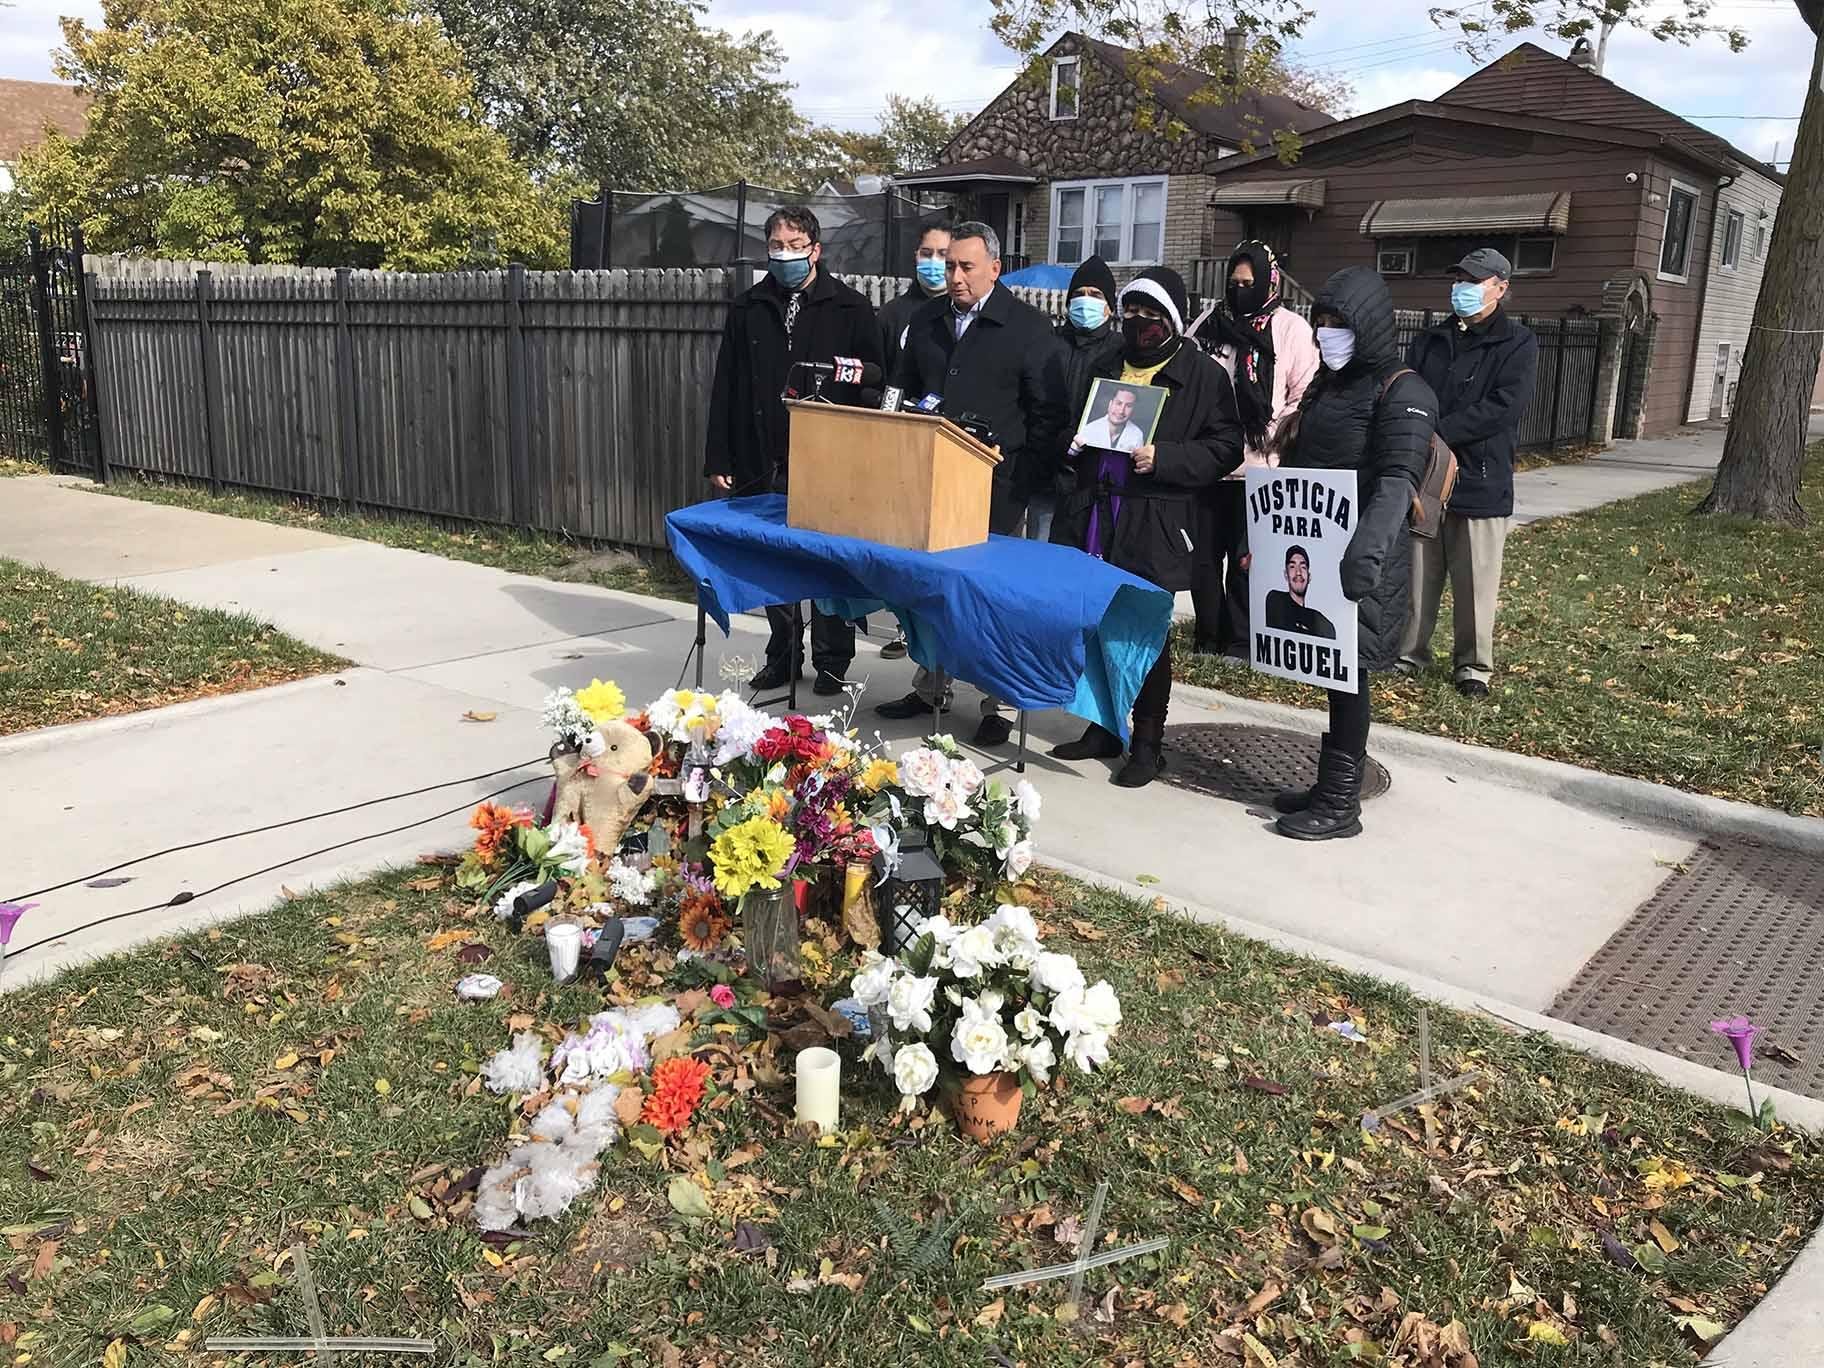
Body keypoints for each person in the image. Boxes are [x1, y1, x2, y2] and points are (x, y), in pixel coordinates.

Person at [1049, 267, 1243, 787]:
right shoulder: (1105, 361)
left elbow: (1226, 446)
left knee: (1144, 631)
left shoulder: (1203, 376)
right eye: (1131, 311)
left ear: (1174, 320)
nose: (1139, 323)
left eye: (1152, 315)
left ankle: (1148, 740)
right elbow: (1079, 419)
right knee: (1093, 622)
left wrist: (1168, 458)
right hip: (1094, 511)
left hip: (1154, 519)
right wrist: (1073, 445)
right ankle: (1100, 725)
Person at [874, 221, 1066, 747]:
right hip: (932, 481)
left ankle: (997, 701)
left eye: (965, 267)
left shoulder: (1028, 328)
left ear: (995, 268)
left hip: (997, 486)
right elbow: (902, 387)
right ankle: (931, 683)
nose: (954, 276)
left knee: (989, 598)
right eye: (949, 265)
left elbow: (1049, 414)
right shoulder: (927, 320)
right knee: (930, 588)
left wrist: (1022, 476)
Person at [1271, 266, 1437, 841]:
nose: (1325, 333)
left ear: (1368, 326)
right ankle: (1329, 786)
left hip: (1363, 565)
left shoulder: (1403, 392)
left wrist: (1363, 558)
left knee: (1351, 679)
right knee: (1334, 675)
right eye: (1320, 322)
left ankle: (1342, 802)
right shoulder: (1329, 384)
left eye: (1338, 323)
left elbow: (1398, 482)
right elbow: (1299, 468)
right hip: (1315, 555)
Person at [704, 205, 883, 696]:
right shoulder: (749, 307)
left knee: (825, 561)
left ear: (816, 250)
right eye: (776, 247)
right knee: (773, 560)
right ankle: (783, 653)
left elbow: (876, 378)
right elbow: (727, 385)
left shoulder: (850, 307)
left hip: (829, 458)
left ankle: (831, 660)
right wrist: (718, 456)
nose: (784, 255)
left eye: (794, 246)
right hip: (762, 453)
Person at [1396, 248, 1539, 698]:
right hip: (1428, 472)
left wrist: (1440, 430)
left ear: (1500, 288)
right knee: (1419, 571)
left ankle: (1473, 665)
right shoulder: (1431, 339)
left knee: (1476, 578)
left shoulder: (1517, 343)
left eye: (1474, 281)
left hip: (1481, 473)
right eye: (1459, 279)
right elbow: (1410, 387)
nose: (1462, 289)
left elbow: (1504, 406)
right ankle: (1409, 652)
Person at [1192, 241, 1320, 657]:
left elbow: (1305, 392)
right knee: (1206, 559)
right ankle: (1208, 635)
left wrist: (1274, 430)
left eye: (1248, 282)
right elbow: (1190, 372)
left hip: (1261, 464)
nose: (1239, 289)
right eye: (1234, 282)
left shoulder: (1290, 329)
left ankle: (1242, 640)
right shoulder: (1211, 324)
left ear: (1268, 280)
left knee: (1248, 560)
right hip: (1211, 462)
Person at [873, 224, 954, 660]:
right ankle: (904, 628)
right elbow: (884, 376)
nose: (936, 263)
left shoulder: (959, 316)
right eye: (927, 252)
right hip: (901, 441)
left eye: (945, 253)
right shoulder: (892, 314)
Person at [1046, 255, 1124, 543]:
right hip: (1047, 476)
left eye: (1095, 294)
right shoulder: (1048, 343)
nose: (1085, 300)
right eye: (1078, 294)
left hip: (1094, 481)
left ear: (1109, 306)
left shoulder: (1121, 350)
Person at [1263, 546, 1336, 639]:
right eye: (1292, 567)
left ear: (1309, 577)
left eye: (1303, 567)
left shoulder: (1324, 624)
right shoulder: (1276, 600)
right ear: (1286, 574)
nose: (1298, 572)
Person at [1075, 386, 1147, 453]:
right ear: (1110, 404)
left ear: (1133, 410)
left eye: (1128, 406)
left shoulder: (1137, 434)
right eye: (1118, 403)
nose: (1121, 411)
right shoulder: (1089, 429)